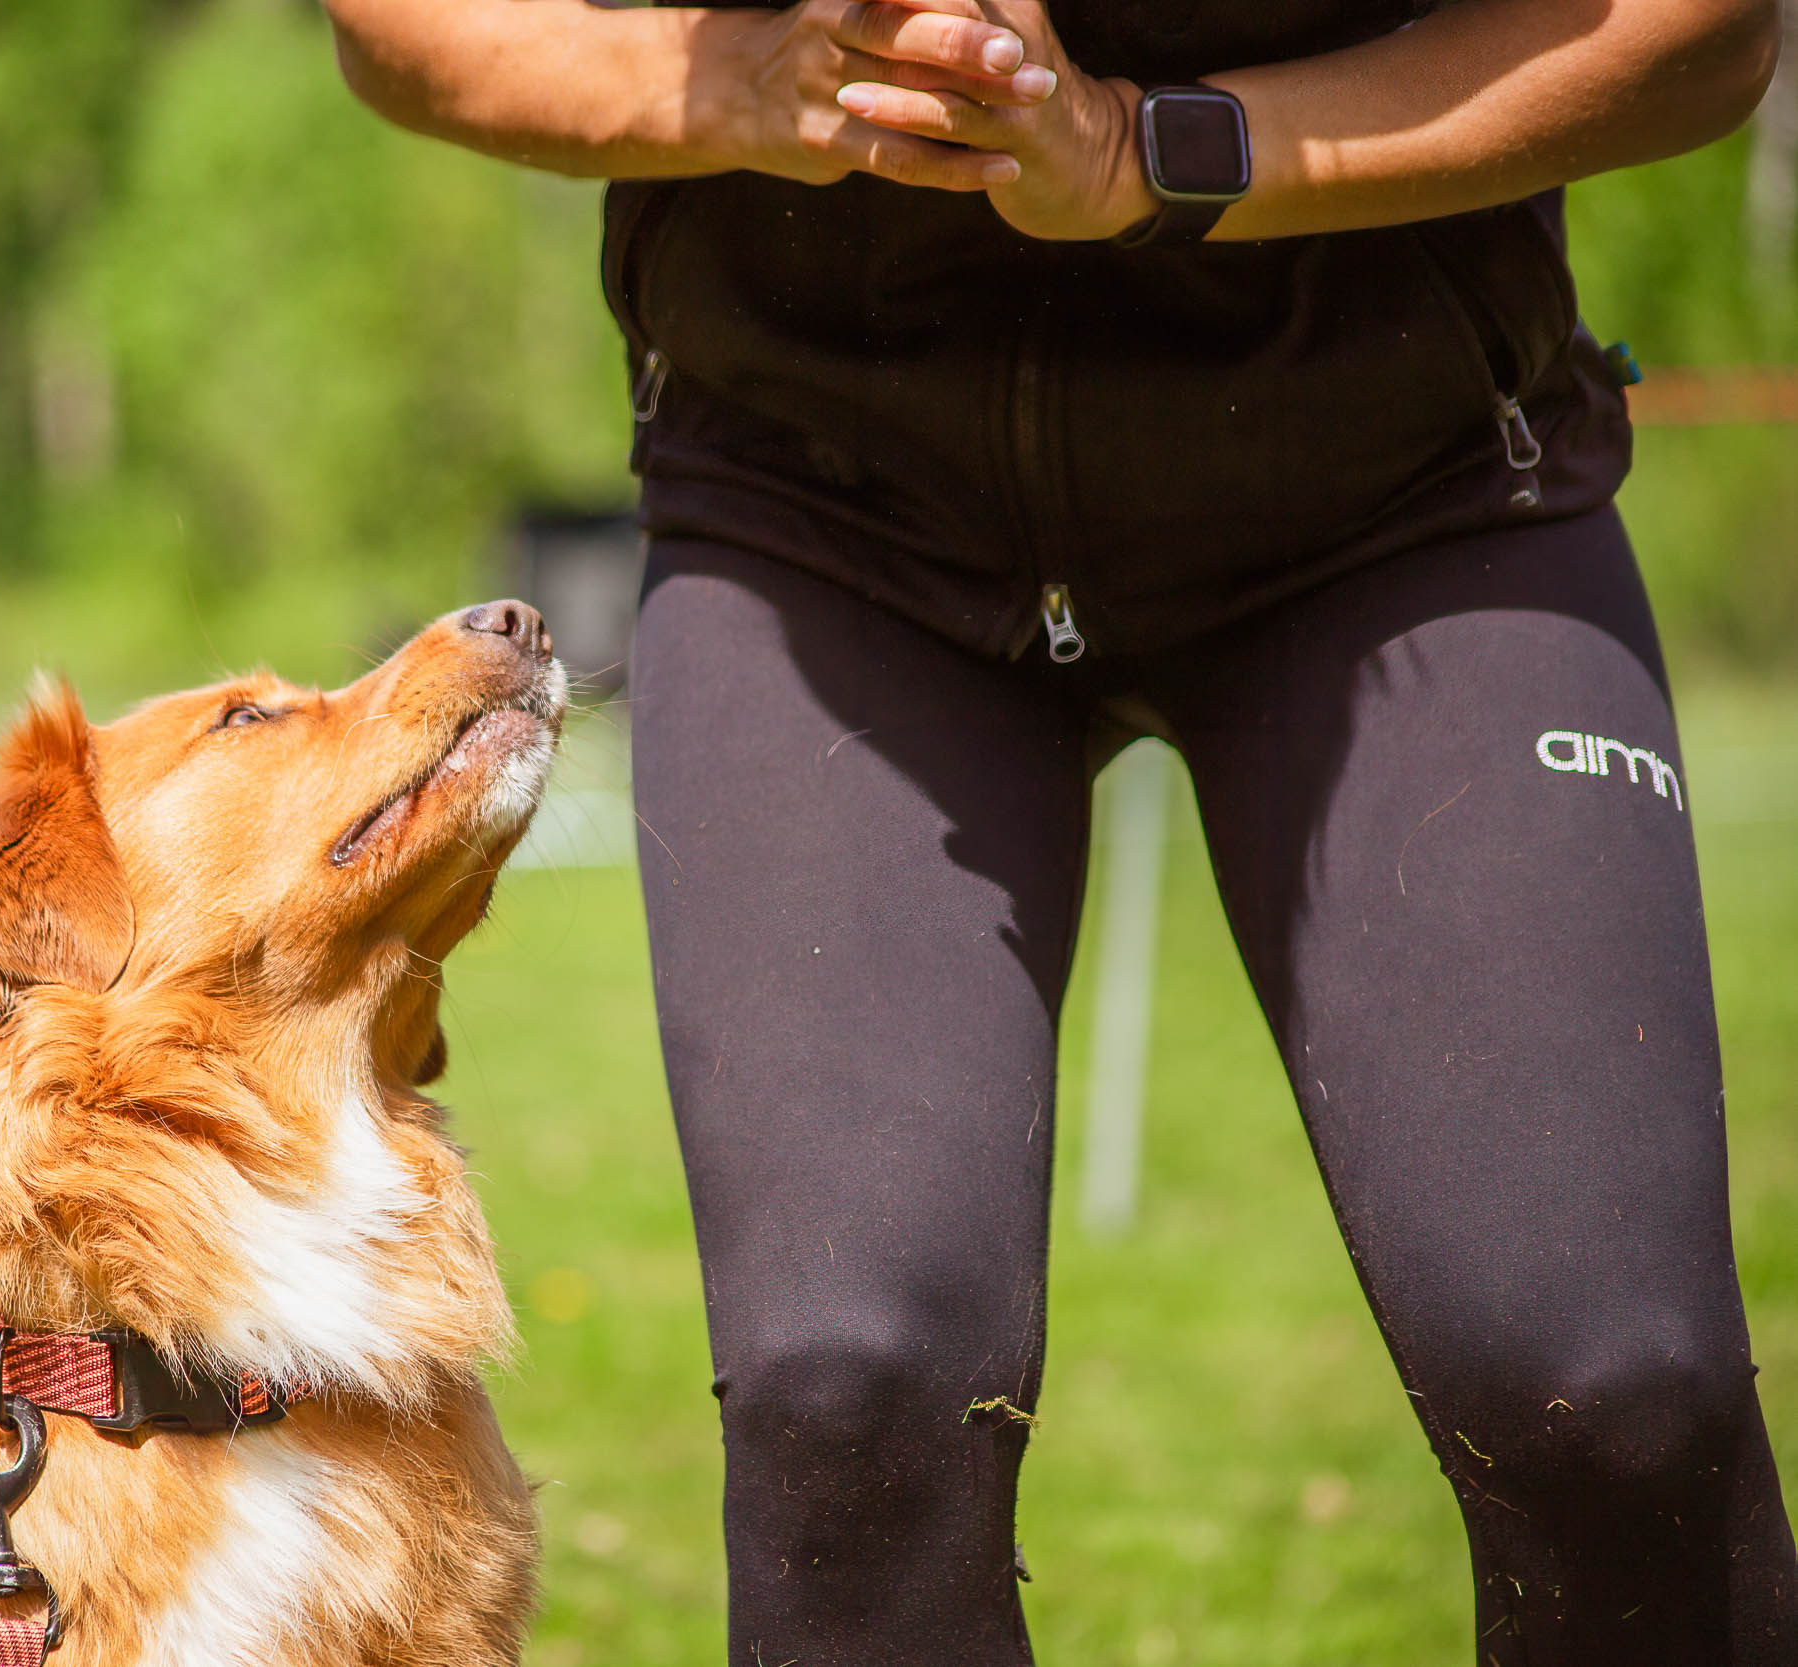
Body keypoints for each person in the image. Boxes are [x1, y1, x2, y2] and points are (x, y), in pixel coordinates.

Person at [321, 0, 1795, 1660]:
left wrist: (1150, 150)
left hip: (1411, 495)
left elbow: (1705, 35)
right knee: (849, 1392)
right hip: (828, 521)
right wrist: (742, 81)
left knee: (1609, 1387)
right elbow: (409, 29)